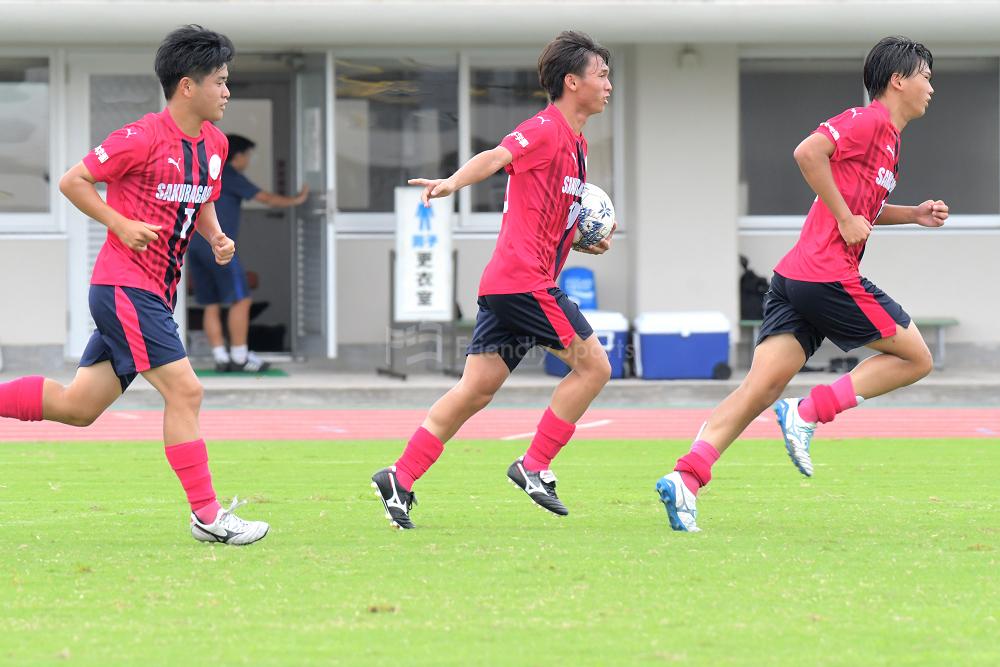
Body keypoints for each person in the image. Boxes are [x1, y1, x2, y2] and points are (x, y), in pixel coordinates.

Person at [656, 36, 949, 532]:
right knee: (917, 358)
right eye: (925, 76)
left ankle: (685, 477)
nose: (931, 87)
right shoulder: (868, 120)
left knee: (759, 388)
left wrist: (912, 214)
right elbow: (808, 152)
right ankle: (809, 411)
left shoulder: (890, 142)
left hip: (795, 278)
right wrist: (845, 218)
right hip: (827, 274)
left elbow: (862, 205)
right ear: (898, 80)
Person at [0, 25, 269, 545]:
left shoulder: (214, 144)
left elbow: (201, 197)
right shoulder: (141, 136)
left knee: (78, 407)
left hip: (151, 294)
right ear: (187, 86)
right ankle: (207, 516)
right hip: (125, 288)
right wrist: (119, 223)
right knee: (186, 391)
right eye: (220, 81)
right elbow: (73, 180)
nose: (227, 91)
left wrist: (215, 236)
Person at [371, 30, 616, 529]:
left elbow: (547, 214)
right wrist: (452, 183)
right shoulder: (544, 128)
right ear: (572, 82)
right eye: (602, 75)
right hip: (526, 282)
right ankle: (535, 465)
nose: (609, 85)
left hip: (508, 283)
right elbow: (498, 156)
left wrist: (579, 239)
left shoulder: (577, 142)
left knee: (476, 389)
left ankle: (400, 476)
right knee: (594, 368)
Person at [187, 134, 308, 372]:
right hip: (219, 245)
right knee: (241, 300)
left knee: (210, 303)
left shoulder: (207, 173)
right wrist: (297, 200)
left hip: (196, 245)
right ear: (238, 155)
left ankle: (221, 357)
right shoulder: (231, 175)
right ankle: (240, 357)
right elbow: (266, 198)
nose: (248, 161)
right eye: (248, 155)